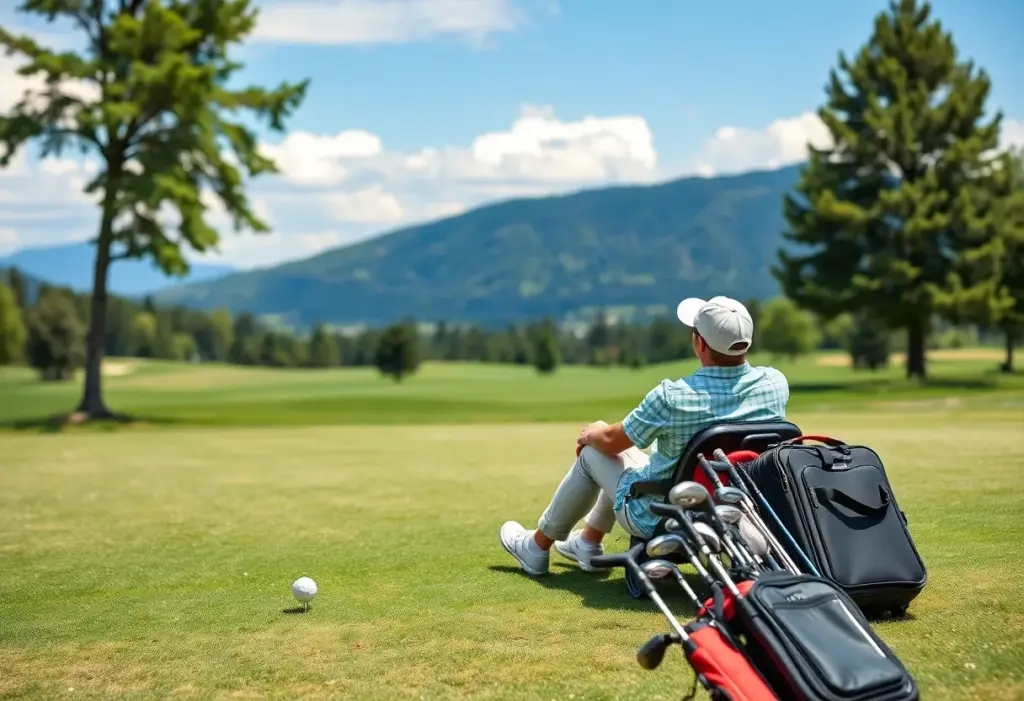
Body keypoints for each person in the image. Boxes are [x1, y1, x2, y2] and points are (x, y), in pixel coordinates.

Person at [499, 295, 790, 576]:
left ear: (699, 343)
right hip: (734, 513)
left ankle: (536, 548)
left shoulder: (673, 396)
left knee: (594, 452)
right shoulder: (775, 384)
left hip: (661, 517)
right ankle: (587, 543)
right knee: (623, 457)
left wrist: (592, 433)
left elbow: (613, 442)